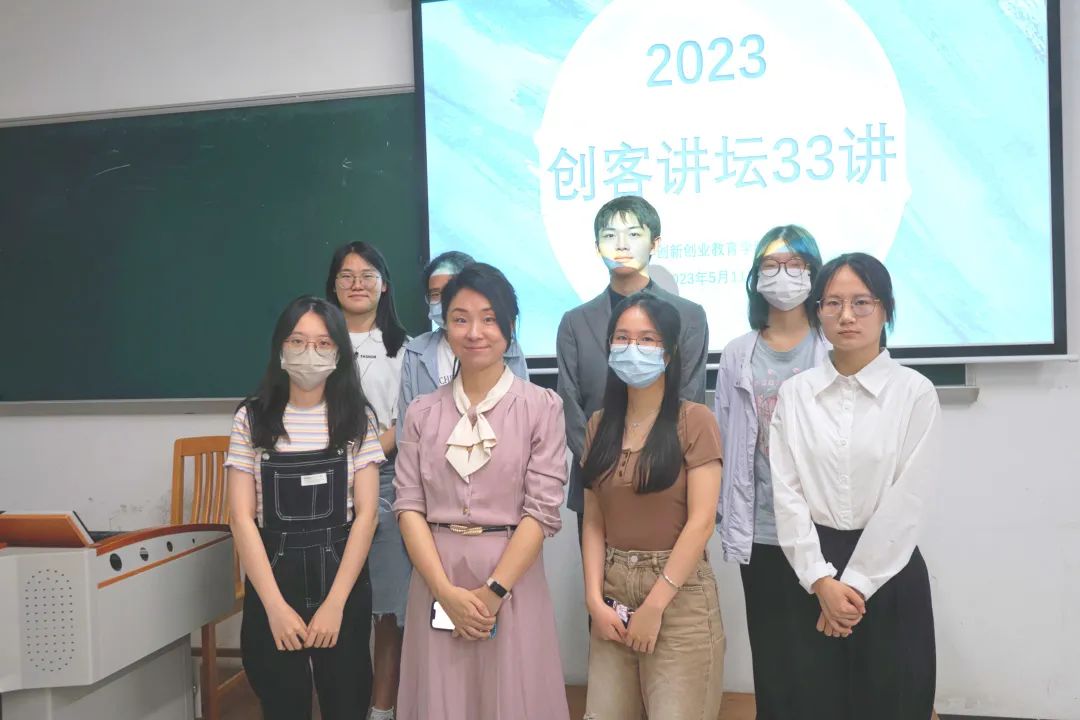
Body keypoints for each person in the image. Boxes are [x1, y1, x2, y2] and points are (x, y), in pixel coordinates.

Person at [393, 263, 570, 720]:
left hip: (511, 577)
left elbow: (541, 512)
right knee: (442, 699)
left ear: (510, 328)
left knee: (511, 699)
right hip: (437, 576)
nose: (475, 332)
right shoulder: (421, 413)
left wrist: (493, 592)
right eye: (460, 318)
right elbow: (408, 506)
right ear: (445, 326)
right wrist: (444, 592)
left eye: (489, 319)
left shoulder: (541, 407)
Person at [770, 253, 941, 719]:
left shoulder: (914, 392)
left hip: (889, 571)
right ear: (818, 312)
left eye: (862, 302)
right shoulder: (795, 394)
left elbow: (909, 500)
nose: (847, 315)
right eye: (833, 303)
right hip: (812, 573)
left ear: (886, 310)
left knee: (894, 702)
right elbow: (786, 494)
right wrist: (821, 580)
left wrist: (857, 586)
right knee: (814, 703)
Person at [225, 296, 384, 720]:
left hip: (341, 578)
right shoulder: (251, 419)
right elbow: (241, 518)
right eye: (297, 341)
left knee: (347, 698)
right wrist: (275, 608)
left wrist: (335, 604)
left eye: (323, 343)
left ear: (339, 353)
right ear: (280, 348)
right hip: (274, 578)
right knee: (282, 700)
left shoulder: (357, 419)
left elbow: (367, 515)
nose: (309, 353)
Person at [580, 292, 725, 719]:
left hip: (679, 597)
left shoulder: (695, 420)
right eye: (622, 338)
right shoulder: (598, 425)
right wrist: (593, 600)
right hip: (612, 593)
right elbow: (593, 522)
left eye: (647, 339)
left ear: (670, 351)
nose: (633, 349)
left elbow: (701, 523)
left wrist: (655, 605)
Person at [713, 225, 827, 717]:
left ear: (814, 274)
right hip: (760, 527)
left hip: (823, 526)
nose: (783, 275)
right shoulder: (739, 352)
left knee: (825, 650)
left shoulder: (831, 345)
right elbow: (724, 435)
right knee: (772, 653)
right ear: (755, 277)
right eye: (771, 265)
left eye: (795, 264)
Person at [558, 195, 709, 542]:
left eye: (634, 234)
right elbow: (570, 404)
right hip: (598, 482)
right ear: (597, 247)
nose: (621, 245)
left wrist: (652, 463)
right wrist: (605, 466)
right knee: (599, 576)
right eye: (610, 235)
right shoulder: (575, 322)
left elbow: (690, 396)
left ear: (655, 243)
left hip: (668, 481)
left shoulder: (689, 316)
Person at [325, 241, 409, 720]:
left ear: (384, 285)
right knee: (336, 600)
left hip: (387, 477)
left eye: (367, 275)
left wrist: (366, 457)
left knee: (388, 607)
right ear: (333, 286)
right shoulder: (315, 343)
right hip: (324, 481)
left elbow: (408, 419)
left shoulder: (405, 349)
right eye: (346, 275)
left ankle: (382, 709)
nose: (357, 284)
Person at [398, 251, 528, 425]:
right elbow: (406, 426)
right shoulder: (416, 351)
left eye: (450, 291)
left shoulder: (505, 346)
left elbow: (522, 415)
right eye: (435, 294)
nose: (444, 300)